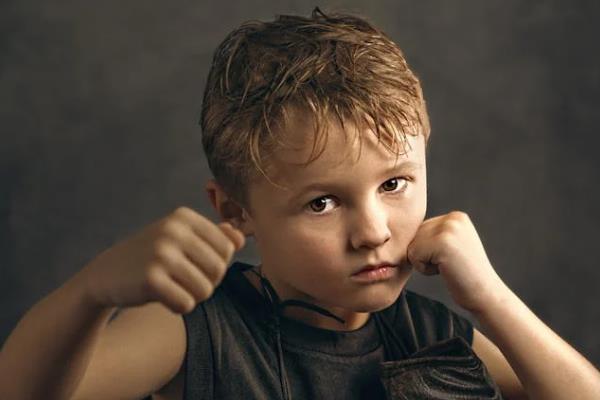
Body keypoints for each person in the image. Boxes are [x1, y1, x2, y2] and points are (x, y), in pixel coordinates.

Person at [1, 7, 599, 400]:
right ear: (235, 210)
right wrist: (93, 291)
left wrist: (491, 298)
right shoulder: (201, 328)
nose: (373, 232)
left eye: (394, 184)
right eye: (322, 203)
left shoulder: (429, 332)